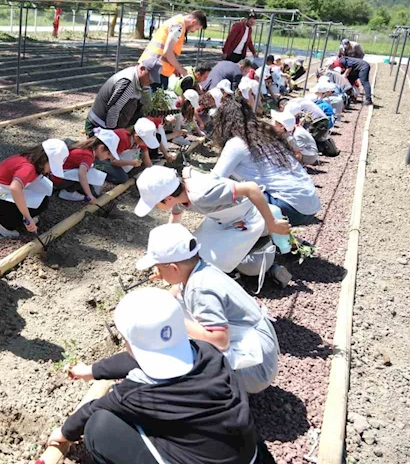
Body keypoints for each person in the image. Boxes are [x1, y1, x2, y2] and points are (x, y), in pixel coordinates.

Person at [46, 286, 261, 464]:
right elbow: (134, 358)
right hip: (247, 452)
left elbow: (93, 410)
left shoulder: (135, 393)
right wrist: (91, 371)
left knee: (99, 427)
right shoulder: (207, 351)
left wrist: (63, 432)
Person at [136, 224, 280, 395]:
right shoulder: (201, 269)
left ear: (174, 268)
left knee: (180, 356)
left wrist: (172, 320)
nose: (156, 272)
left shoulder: (200, 289)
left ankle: (221, 400)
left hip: (255, 369)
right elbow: (176, 293)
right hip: (259, 352)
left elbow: (220, 340)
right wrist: (164, 285)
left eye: (159, 268)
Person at [134, 165, 291, 274]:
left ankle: (267, 240)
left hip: (247, 217)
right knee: (193, 252)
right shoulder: (179, 197)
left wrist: (272, 222)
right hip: (222, 219)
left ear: (167, 199)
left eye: (154, 203)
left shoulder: (202, 194)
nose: (155, 207)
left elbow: (251, 188)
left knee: (208, 263)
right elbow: (175, 218)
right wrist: (162, 252)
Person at [212, 96, 322, 226]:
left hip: (290, 209)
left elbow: (215, 180)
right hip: (311, 205)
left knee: (235, 195)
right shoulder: (266, 134)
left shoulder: (236, 143)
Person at [0, 139, 69, 238]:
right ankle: (1, 223)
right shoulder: (28, 168)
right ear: (45, 159)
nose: (51, 170)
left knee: (42, 201)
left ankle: (15, 217)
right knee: (39, 204)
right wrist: (27, 216)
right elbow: (15, 188)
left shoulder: (29, 158)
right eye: (51, 166)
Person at [84, 59, 160, 136]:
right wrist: (113, 134)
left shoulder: (139, 80)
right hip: (99, 124)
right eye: (150, 77)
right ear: (142, 69)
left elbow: (145, 105)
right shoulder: (128, 83)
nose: (151, 81)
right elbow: (113, 109)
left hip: (106, 122)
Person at [138, 10, 208, 89]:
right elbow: (167, 52)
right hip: (156, 72)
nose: (194, 31)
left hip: (152, 68)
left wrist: (174, 68)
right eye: (197, 29)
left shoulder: (175, 21)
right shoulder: (178, 27)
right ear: (193, 22)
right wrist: (181, 69)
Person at [53, 131, 119, 201]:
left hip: (57, 173)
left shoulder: (86, 147)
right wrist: (89, 195)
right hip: (58, 179)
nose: (108, 157)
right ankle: (68, 192)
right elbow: (81, 174)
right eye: (108, 153)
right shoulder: (88, 156)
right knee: (87, 176)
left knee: (89, 173)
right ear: (101, 148)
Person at [97, 118, 159, 184]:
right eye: (146, 141)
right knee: (122, 178)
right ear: (137, 137)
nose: (146, 144)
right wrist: (131, 163)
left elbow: (147, 159)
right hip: (102, 157)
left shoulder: (140, 142)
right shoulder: (123, 139)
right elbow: (113, 161)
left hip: (118, 159)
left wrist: (153, 174)